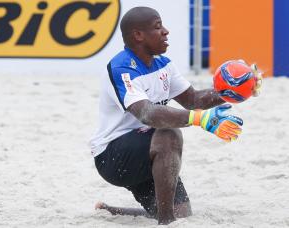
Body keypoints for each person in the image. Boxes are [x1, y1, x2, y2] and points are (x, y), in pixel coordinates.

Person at [90, 6, 261, 225]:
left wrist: (235, 91)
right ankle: (166, 222)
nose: (166, 32)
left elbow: (194, 100)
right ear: (138, 35)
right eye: (158, 27)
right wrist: (199, 119)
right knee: (169, 134)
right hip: (113, 157)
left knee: (182, 211)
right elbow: (147, 113)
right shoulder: (122, 68)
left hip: (149, 150)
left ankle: (114, 211)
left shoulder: (163, 64)